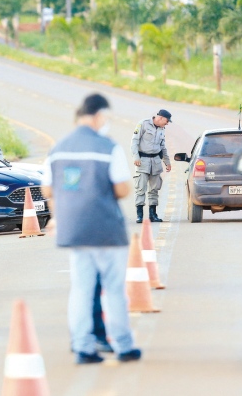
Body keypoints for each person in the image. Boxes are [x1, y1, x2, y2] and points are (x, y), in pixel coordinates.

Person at [41, 93, 142, 365]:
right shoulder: (108, 147)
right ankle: (123, 346)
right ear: (99, 116)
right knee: (114, 290)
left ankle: (83, 347)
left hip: (74, 231)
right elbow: (122, 188)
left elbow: (48, 188)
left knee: (81, 290)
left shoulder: (58, 148)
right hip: (107, 230)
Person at [130, 109, 172, 223]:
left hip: (156, 161)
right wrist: (136, 157)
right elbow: (134, 142)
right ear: (161, 118)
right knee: (140, 188)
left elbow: (163, 147)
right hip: (142, 161)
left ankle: (153, 215)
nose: (167, 123)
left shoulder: (162, 129)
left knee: (154, 189)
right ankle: (139, 215)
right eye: (167, 121)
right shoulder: (143, 124)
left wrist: (167, 162)